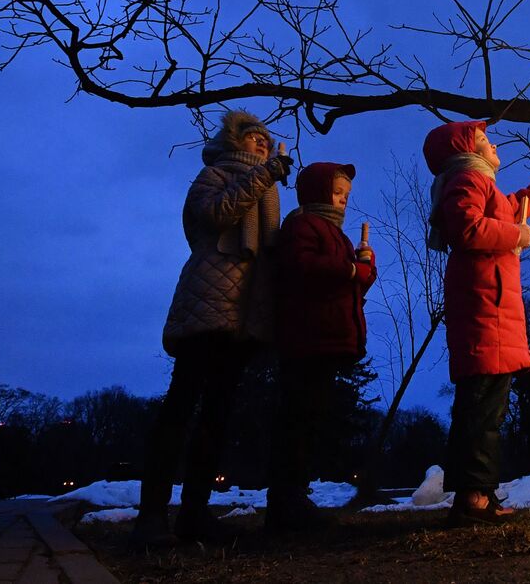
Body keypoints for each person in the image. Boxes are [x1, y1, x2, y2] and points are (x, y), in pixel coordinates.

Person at [131, 111, 292, 550]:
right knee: (181, 406)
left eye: (265, 139)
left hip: (245, 313)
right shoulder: (214, 175)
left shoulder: (268, 188)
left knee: (218, 416)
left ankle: (195, 514)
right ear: (235, 139)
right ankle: (150, 516)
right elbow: (216, 215)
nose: (261, 143)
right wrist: (262, 177)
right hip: (207, 301)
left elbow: (271, 249)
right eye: (253, 137)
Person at [423, 121, 530, 526]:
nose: (494, 144)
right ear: (467, 149)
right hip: (484, 307)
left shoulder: (482, 185)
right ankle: (474, 495)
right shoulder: (467, 179)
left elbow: (520, 203)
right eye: (485, 139)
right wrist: (516, 236)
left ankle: (477, 492)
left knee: (487, 403)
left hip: (492, 307)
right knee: (482, 405)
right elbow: (468, 227)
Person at [266, 161, 377, 533]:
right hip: (306, 337)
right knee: (297, 418)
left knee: (311, 419)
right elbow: (302, 266)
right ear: (316, 192)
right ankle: (285, 501)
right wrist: (349, 269)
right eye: (337, 192)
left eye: (346, 194)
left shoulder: (338, 234)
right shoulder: (303, 225)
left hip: (328, 338)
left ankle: (295, 496)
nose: (343, 199)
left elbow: (355, 286)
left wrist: (365, 265)